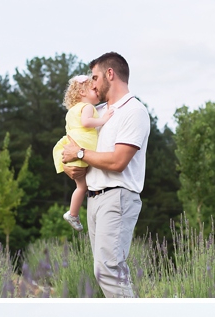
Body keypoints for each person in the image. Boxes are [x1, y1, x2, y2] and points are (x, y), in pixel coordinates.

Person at [60, 52, 151, 298]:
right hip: (95, 197)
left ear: (110, 74)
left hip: (118, 197)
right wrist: (70, 165)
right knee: (105, 270)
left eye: (96, 77)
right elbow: (72, 145)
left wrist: (80, 152)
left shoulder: (134, 111)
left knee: (109, 269)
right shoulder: (96, 111)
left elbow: (118, 161)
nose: (93, 84)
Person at [53, 75, 115, 231]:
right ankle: (72, 214)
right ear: (82, 92)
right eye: (93, 89)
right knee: (82, 187)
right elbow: (86, 123)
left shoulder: (71, 111)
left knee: (81, 186)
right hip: (81, 148)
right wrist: (104, 119)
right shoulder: (87, 107)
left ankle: (73, 213)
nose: (96, 91)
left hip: (71, 147)